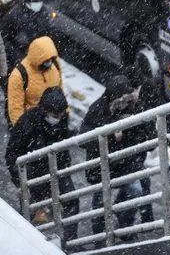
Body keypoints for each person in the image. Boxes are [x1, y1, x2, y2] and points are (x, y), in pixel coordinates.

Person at [81, 75, 154, 240]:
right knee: (100, 202)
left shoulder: (132, 107)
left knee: (135, 191)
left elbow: (144, 130)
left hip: (124, 163)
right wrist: (110, 134)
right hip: (101, 165)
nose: (122, 102)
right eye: (119, 99)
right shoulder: (97, 109)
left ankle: (125, 225)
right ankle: (100, 236)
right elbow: (84, 138)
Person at [5, 87, 79, 243]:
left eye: (60, 115)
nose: (58, 119)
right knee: (29, 210)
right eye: (54, 116)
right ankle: (22, 242)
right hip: (34, 173)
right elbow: (12, 154)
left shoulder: (62, 119)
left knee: (72, 200)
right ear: (45, 111)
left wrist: (65, 166)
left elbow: (62, 144)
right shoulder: (27, 122)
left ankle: (71, 242)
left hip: (58, 168)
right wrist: (19, 183)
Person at [7, 35, 63, 126]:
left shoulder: (55, 65)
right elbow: (15, 108)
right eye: (45, 60)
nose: (49, 63)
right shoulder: (19, 75)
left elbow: (60, 91)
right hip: (32, 122)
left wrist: (64, 114)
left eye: (50, 59)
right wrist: (22, 128)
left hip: (51, 118)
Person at [1, 0, 53, 69]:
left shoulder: (44, 12)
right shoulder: (14, 15)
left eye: (40, 1)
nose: (38, 4)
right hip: (18, 58)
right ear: (27, 2)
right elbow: (3, 37)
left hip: (37, 56)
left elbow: (47, 34)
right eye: (35, 2)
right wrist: (17, 56)